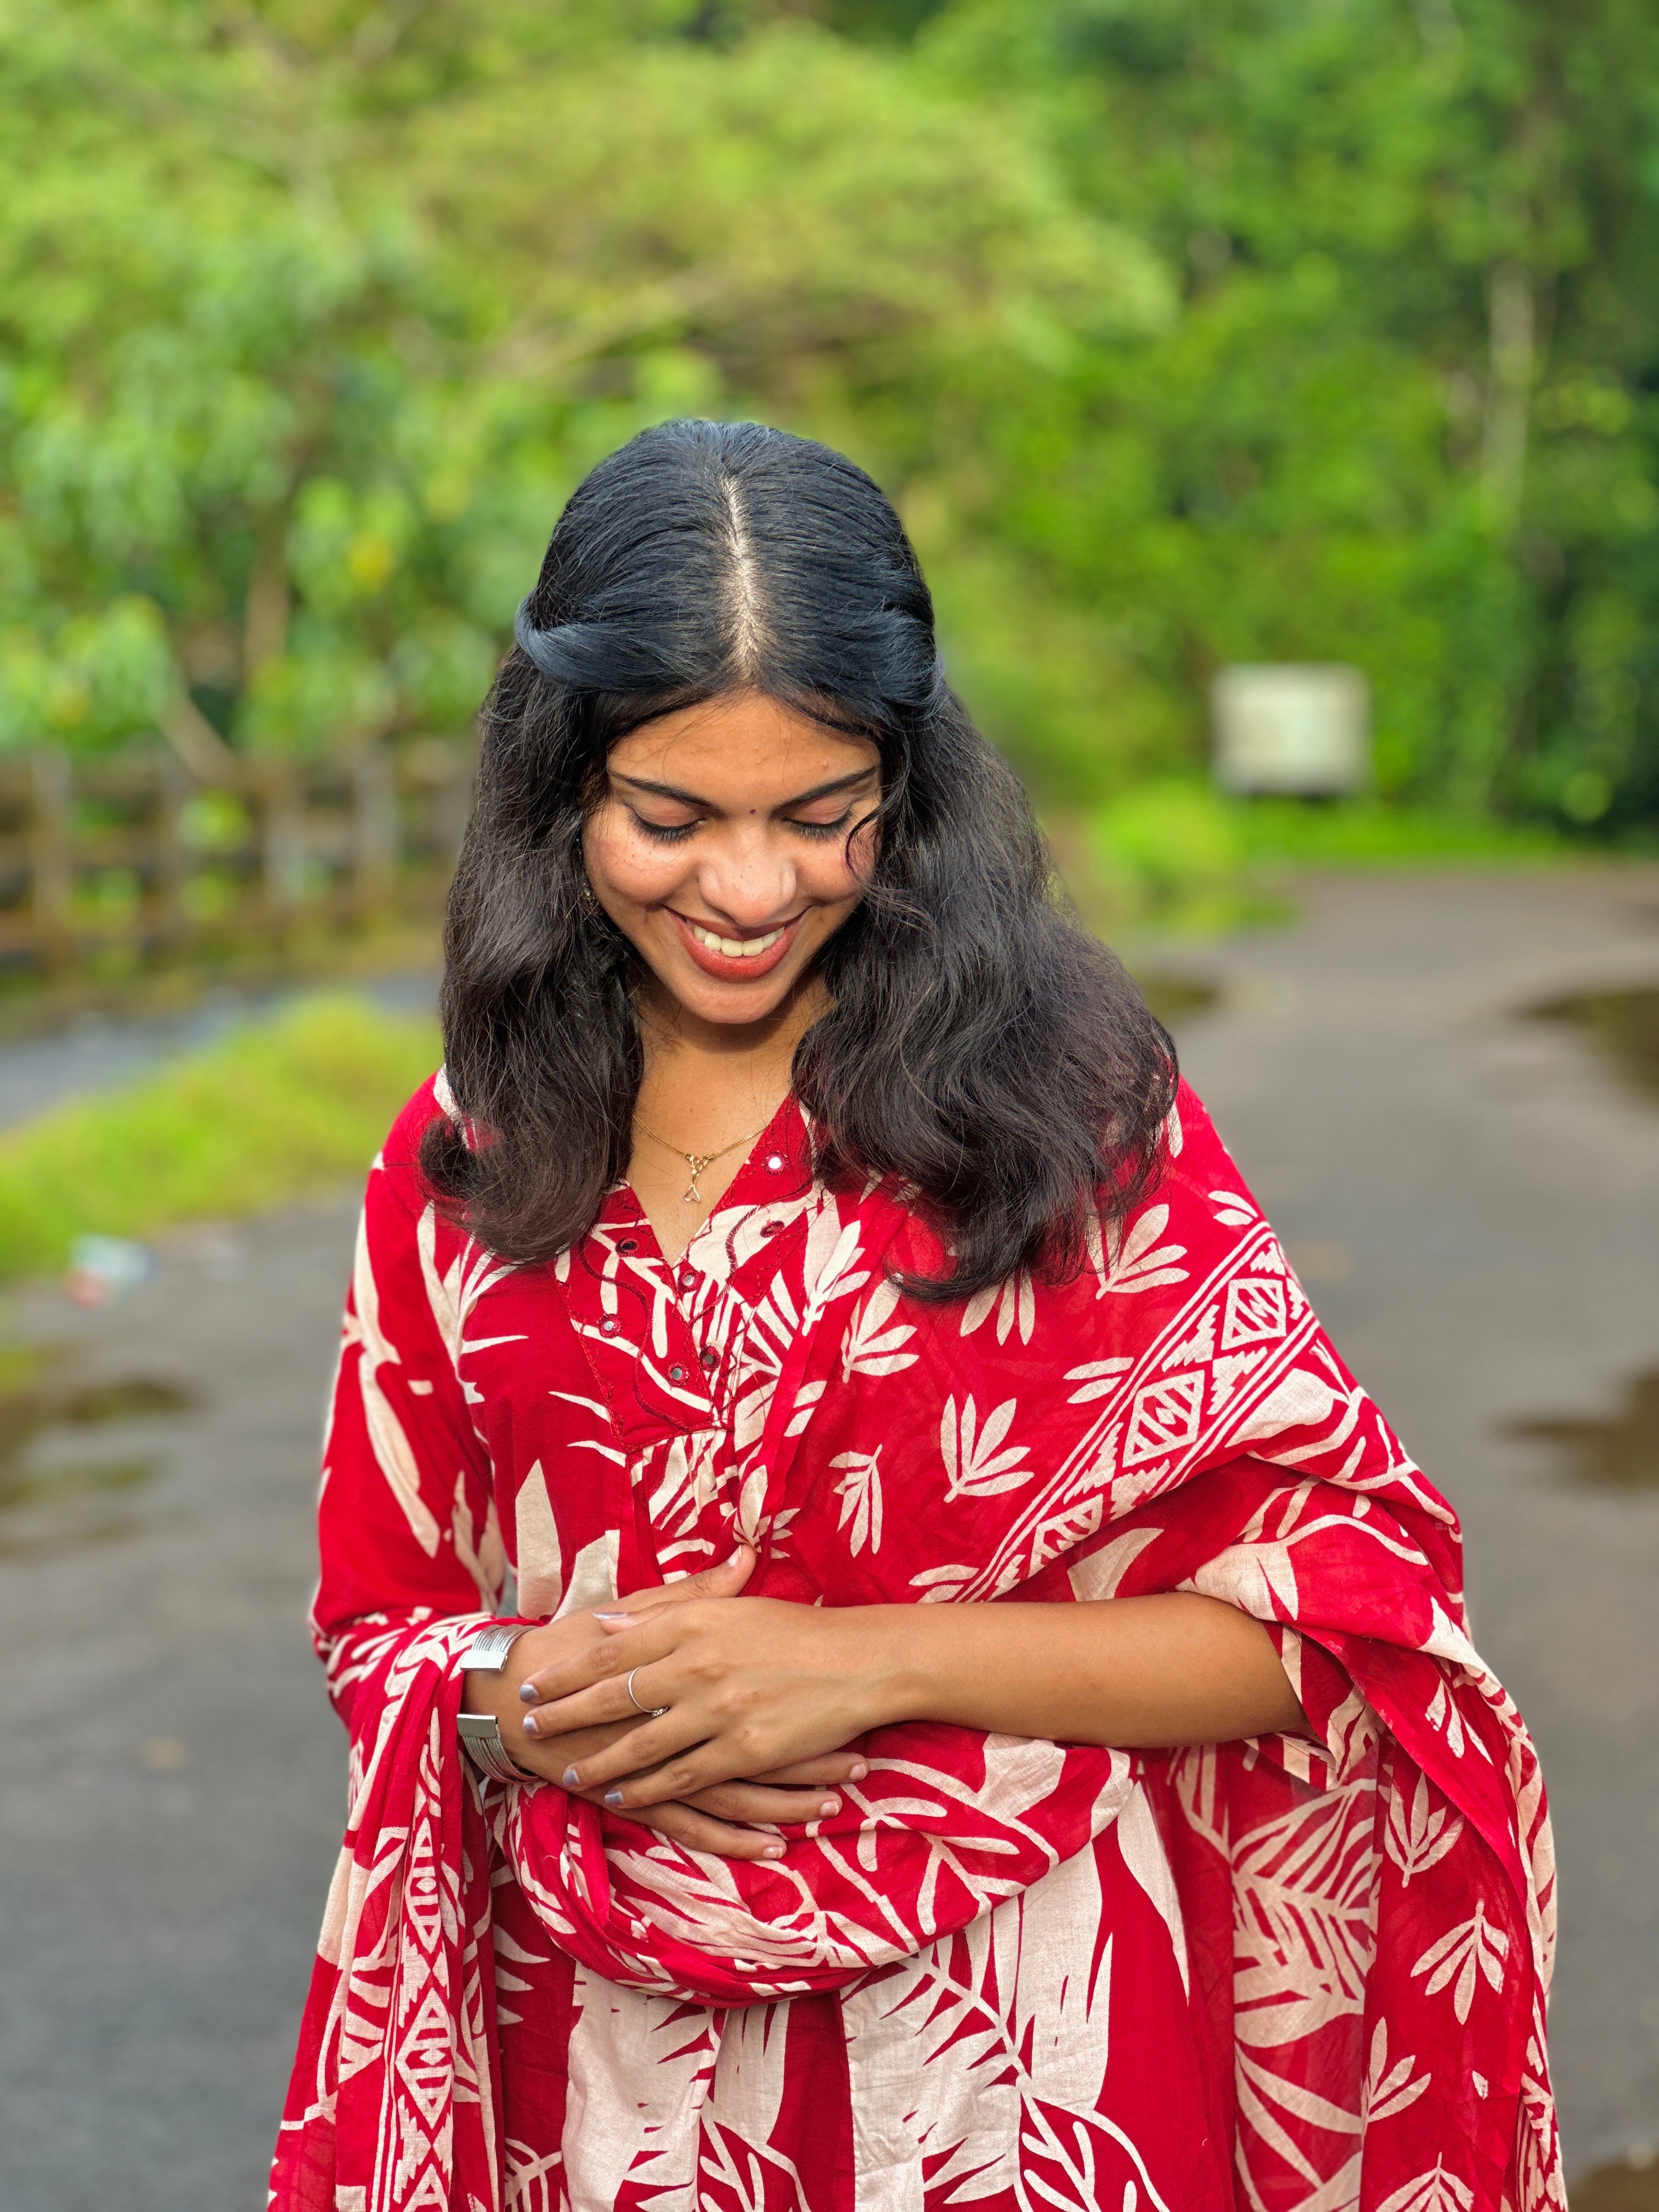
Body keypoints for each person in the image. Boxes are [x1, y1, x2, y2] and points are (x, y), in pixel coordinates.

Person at [270, 420, 1561, 2211]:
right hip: (598, 2074)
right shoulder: (466, 1159)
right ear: (560, 790)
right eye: (671, 818)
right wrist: (512, 1703)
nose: (746, 890)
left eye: (821, 818)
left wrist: (866, 1661)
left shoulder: (1061, 1126)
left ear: (908, 784)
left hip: (1027, 2076)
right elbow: (380, 1624)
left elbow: (1352, 1616)